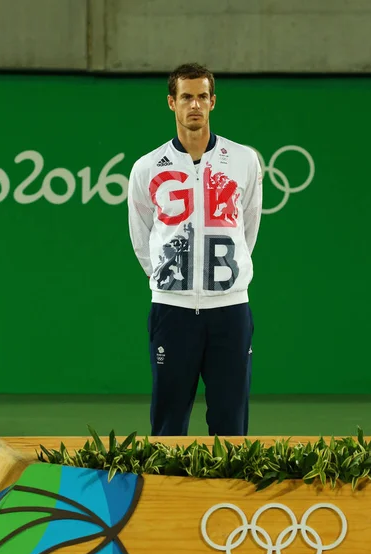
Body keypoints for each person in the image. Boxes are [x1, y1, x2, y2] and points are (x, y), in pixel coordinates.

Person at [128, 63, 262, 436]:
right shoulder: (147, 167)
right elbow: (141, 237)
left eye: (202, 96)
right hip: (173, 311)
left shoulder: (243, 161)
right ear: (172, 103)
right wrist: (168, 280)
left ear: (213, 102)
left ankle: (226, 497)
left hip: (230, 310)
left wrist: (227, 279)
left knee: (231, 422)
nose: (195, 105)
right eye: (186, 96)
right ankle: (166, 495)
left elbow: (247, 228)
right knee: (168, 422)